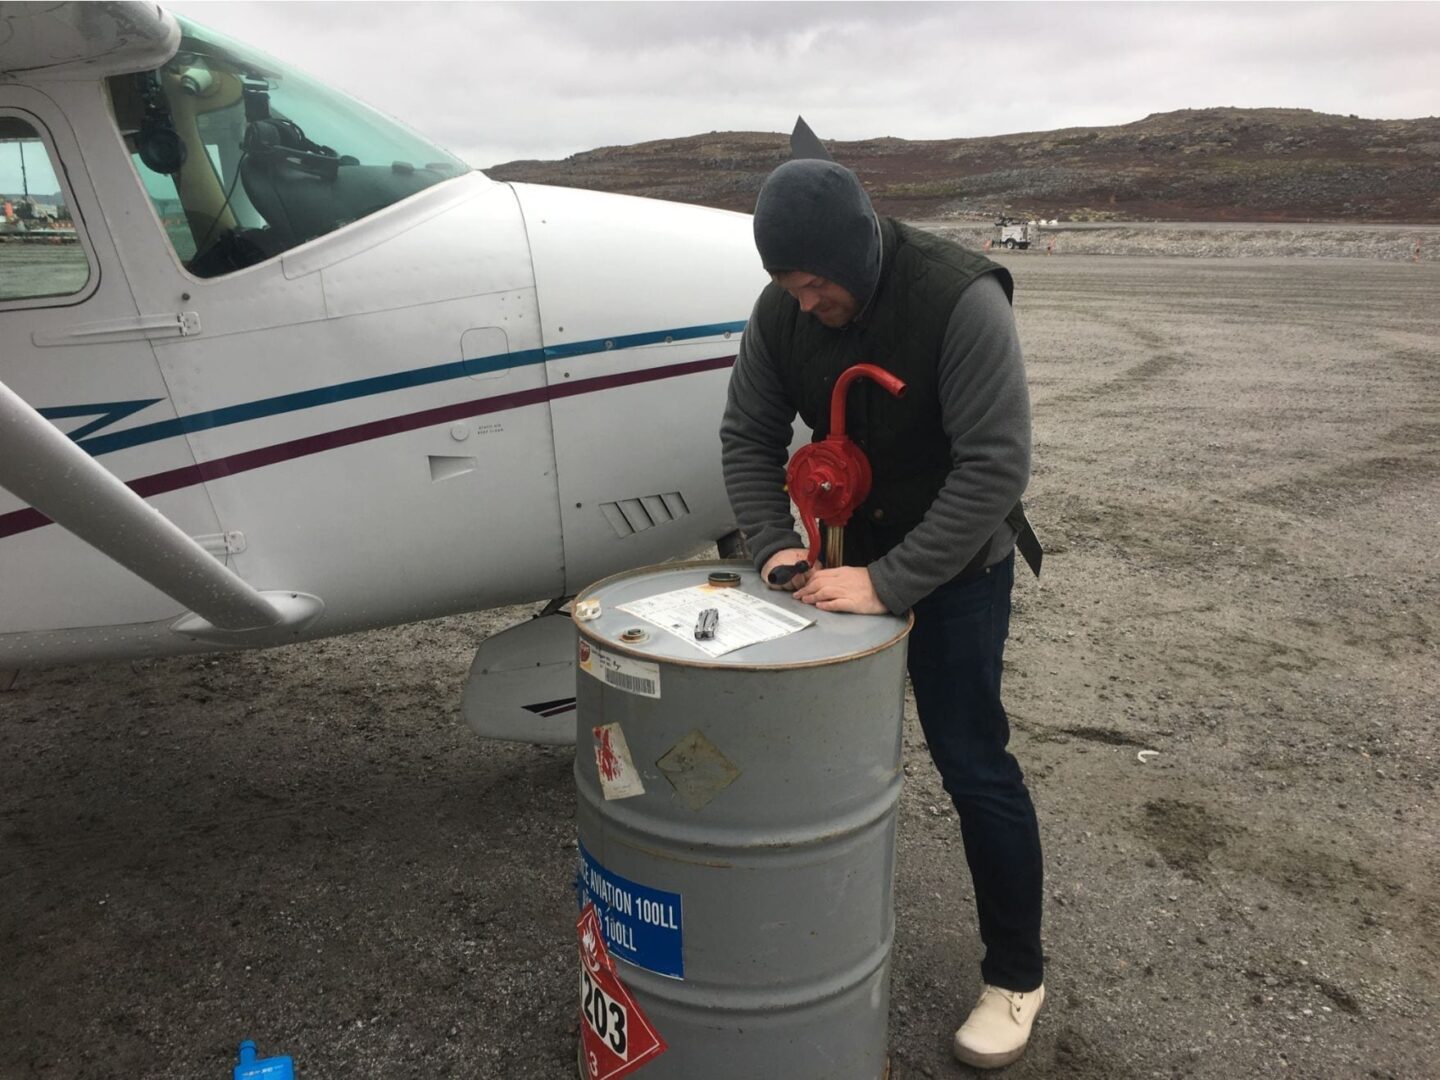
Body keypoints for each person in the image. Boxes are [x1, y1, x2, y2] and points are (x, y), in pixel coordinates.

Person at [719, 158, 1045, 1070]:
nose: (805, 300)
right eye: (788, 283)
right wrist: (774, 545)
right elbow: (747, 433)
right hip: (830, 567)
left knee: (973, 764)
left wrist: (891, 580)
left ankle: (1016, 977)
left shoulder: (958, 299)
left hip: (952, 571)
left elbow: (994, 466)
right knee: (807, 762)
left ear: (856, 253)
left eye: (818, 282)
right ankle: (801, 935)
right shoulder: (781, 310)